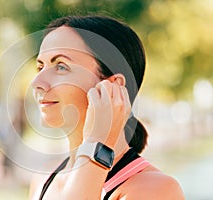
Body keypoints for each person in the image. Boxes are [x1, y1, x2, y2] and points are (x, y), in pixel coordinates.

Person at [29, 15, 184, 200]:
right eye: (40, 67)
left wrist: (97, 143)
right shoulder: (44, 179)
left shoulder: (155, 190)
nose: (36, 82)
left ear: (113, 87)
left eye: (61, 66)